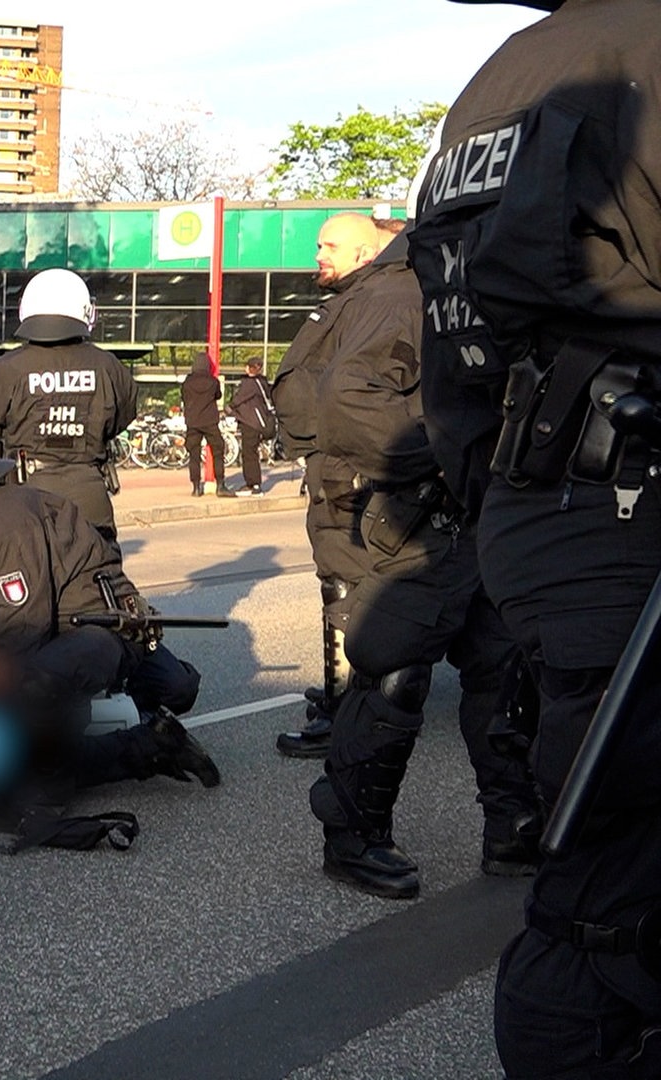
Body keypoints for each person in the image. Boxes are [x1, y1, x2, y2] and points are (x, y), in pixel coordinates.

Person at [409, 2, 661, 1072]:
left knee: (595, 894)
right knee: (612, 914)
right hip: (630, 523)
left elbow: (449, 351)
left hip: (543, 508)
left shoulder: (500, 78)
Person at [303, 225, 538, 899]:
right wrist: (444, 458)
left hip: (484, 513)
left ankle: (513, 826)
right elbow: (345, 402)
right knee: (394, 672)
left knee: (501, 669)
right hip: (423, 517)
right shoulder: (404, 291)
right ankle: (353, 836)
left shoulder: (475, 280)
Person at [0, 433, 219, 816]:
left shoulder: (3, 527)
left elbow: (21, 643)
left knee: (18, 730)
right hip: (42, 639)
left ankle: (150, 746)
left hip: (93, 631)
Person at [269, 213, 397, 760]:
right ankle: (345, 701)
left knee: (348, 587)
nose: (318, 253)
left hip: (348, 470)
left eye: (330, 245)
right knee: (341, 583)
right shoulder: (357, 299)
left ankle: (350, 714)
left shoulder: (376, 302)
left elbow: (359, 390)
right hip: (334, 466)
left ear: (365, 254)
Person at [0, 269, 137, 546]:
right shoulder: (108, 366)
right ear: (85, 311)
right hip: (89, 489)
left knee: (30, 581)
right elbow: (124, 414)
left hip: (28, 493)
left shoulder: (9, 368)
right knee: (100, 579)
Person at [180, 356, 234, 498]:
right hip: (209, 421)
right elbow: (218, 395)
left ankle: (196, 487)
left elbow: (184, 397)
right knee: (218, 450)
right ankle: (220, 485)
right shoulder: (213, 382)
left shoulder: (187, 382)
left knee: (194, 455)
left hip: (193, 422)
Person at [228, 359, 275, 496]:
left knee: (249, 454)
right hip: (259, 423)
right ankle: (253, 483)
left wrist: (228, 409)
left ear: (249, 368)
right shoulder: (262, 382)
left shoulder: (250, 384)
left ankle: (254, 485)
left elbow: (238, 399)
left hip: (251, 423)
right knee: (251, 453)